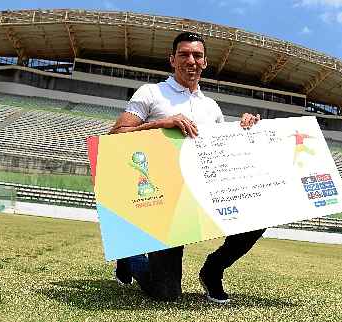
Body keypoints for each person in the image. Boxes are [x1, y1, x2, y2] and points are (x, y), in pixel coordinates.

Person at [110, 32, 265, 304]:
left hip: (204, 195)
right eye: (183, 54)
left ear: (205, 62)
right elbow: (116, 137)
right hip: (166, 202)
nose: (190, 60)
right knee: (165, 292)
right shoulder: (151, 93)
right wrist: (161, 123)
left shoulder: (211, 107)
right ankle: (130, 257)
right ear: (172, 60)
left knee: (263, 214)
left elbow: (223, 153)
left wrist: (246, 129)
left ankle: (213, 268)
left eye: (197, 55)